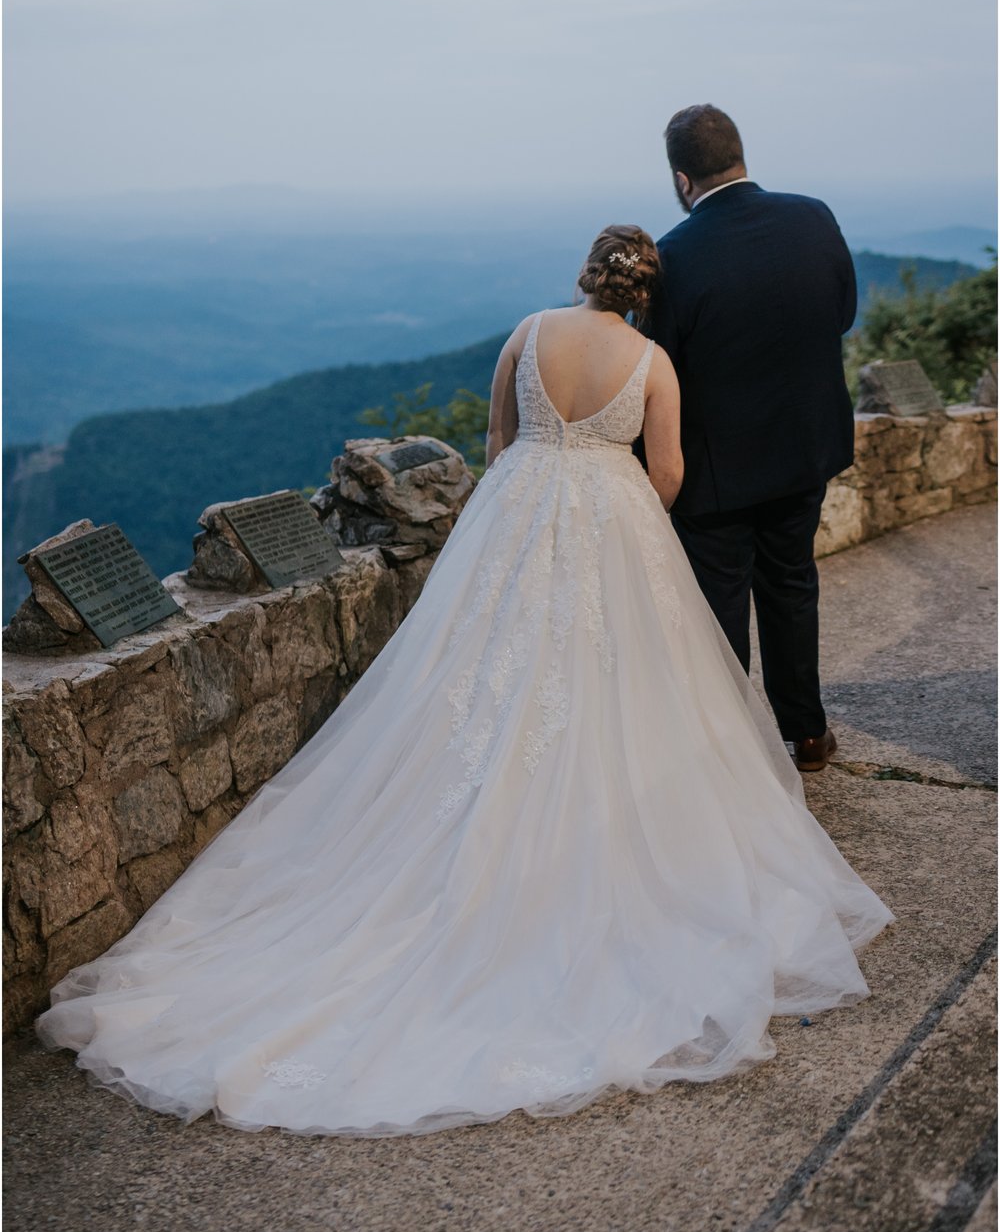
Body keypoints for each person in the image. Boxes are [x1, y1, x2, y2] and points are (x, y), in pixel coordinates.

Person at [35, 225, 893, 1139]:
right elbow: (671, 474)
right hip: (609, 517)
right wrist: (622, 507)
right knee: (616, 686)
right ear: (647, 290)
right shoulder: (653, 361)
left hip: (514, 513)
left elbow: (497, 437)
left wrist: (535, 491)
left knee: (478, 673)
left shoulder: (528, 332)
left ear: (586, 275)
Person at [640, 105, 858, 772]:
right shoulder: (813, 216)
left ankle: (733, 753)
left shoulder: (674, 256)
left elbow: (656, 364)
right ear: (739, 153)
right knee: (792, 582)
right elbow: (843, 313)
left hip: (717, 470)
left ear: (682, 178)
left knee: (719, 607)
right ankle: (807, 736)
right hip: (803, 451)